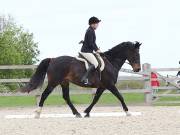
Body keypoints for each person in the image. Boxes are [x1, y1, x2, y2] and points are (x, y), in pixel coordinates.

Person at [80, 16, 102, 84]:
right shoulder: (90, 31)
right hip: (86, 51)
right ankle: (84, 78)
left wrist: (97, 49)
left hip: (88, 51)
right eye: (97, 23)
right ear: (92, 24)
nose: (98, 25)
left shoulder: (91, 30)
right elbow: (90, 43)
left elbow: (92, 42)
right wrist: (97, 50)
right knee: (95, 63)